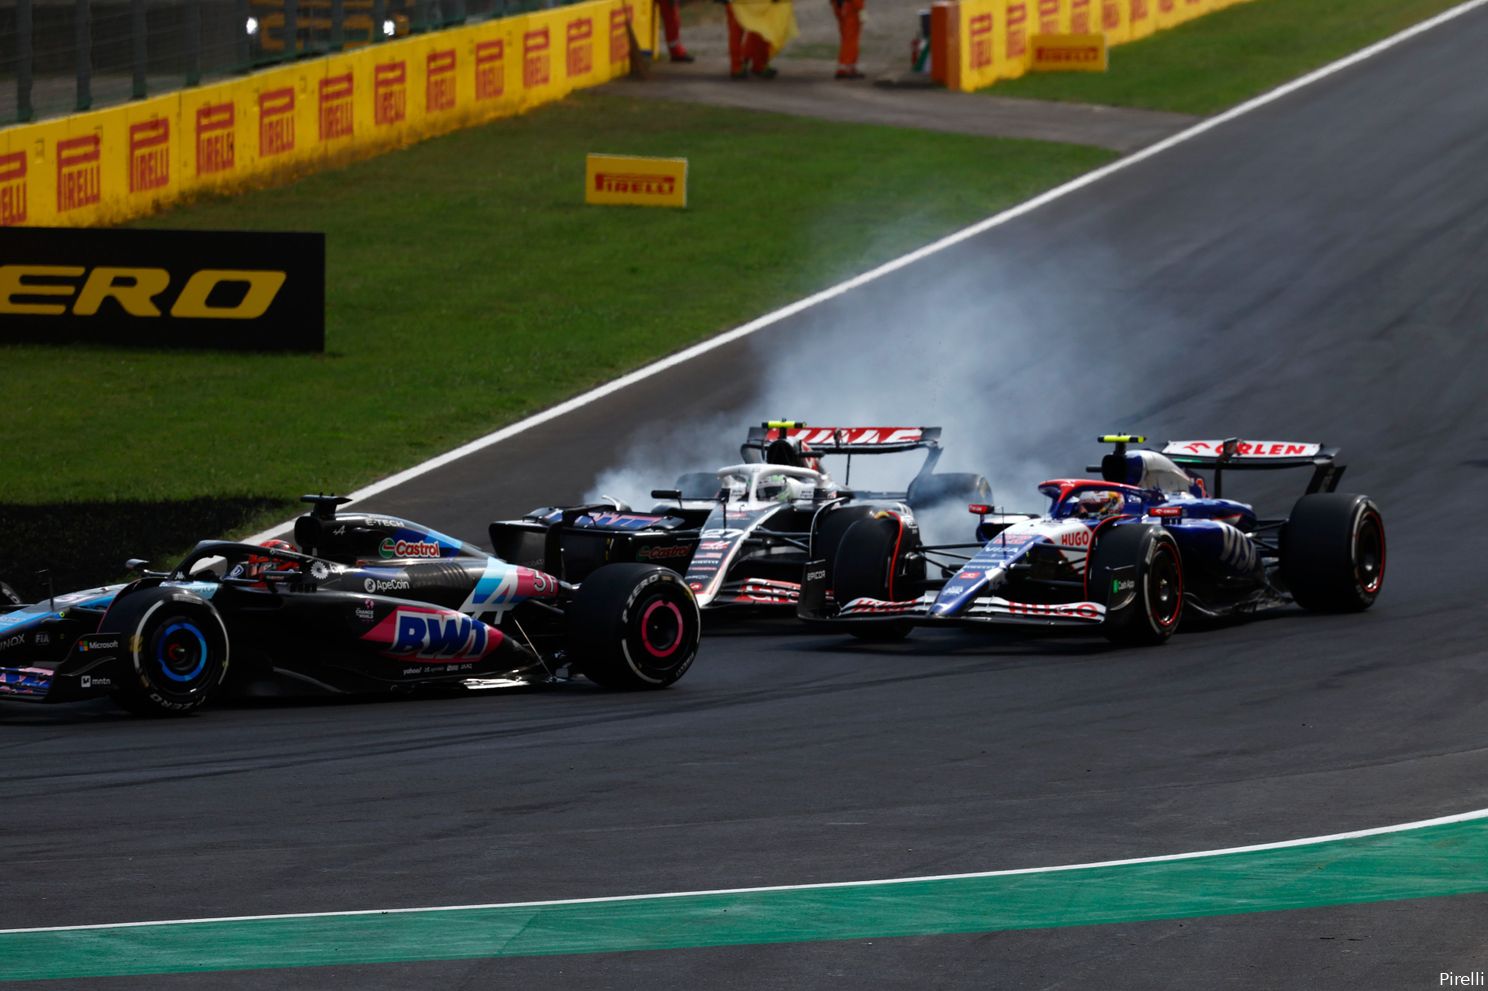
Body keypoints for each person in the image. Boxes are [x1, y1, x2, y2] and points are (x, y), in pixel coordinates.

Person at [831, 0, 864, 79]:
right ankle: (847, 67)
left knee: (846, 38)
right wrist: (860, 8)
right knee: (850, 39)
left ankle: (846, 66)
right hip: (850, 7)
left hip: (839, 6)